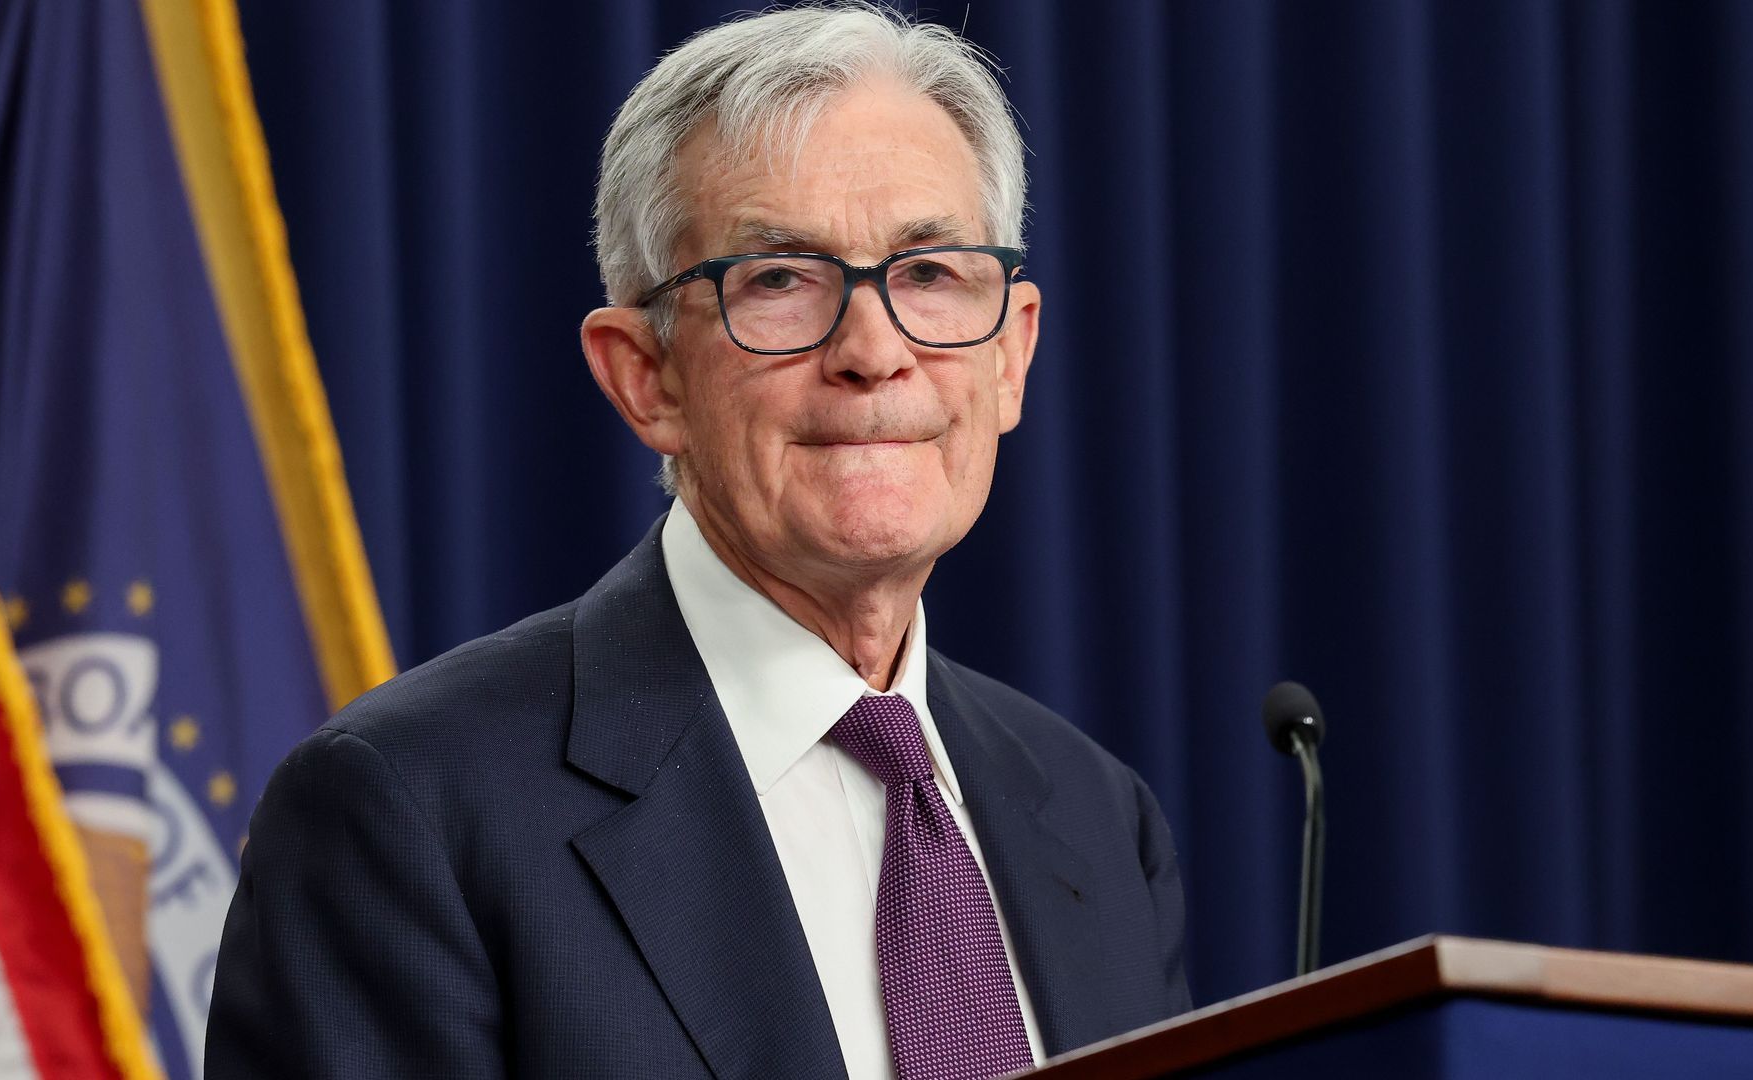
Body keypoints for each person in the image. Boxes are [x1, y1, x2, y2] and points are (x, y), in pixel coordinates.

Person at [206, 6, 1189, 1078]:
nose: (874, 351)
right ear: (646, 375)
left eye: (930, 274)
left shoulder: (1097, 817)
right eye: (779, 280)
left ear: (1011, 356)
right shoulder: (407, 814)